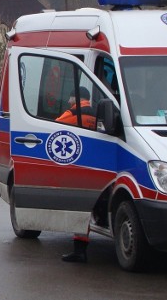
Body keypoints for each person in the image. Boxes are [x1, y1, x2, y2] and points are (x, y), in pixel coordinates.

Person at [55, 86, 95, 263]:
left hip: (77, 165)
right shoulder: (95, 113)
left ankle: (79, 251)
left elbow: (55, 125)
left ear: (74, 98)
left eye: (71, 98)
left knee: (79, 210)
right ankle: (81, 249)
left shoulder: (72, 113)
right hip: (94, 165)